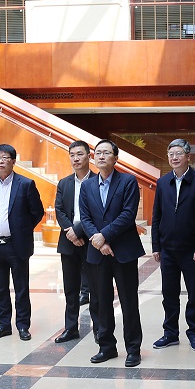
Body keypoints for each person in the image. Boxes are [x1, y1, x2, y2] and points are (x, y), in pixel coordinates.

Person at [79, 140, 145, 367]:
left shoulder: (128, 181)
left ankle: (133, 349)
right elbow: (85, 217)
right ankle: (106, 347)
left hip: (123, 251)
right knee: (101, 302)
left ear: (116, 158)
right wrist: (99, 241)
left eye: (106, 153)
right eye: (98, 153)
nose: (101, 156)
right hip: (98, 253)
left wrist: (104, 236)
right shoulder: (87, 185)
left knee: (128, 301)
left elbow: (128, 215)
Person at [151, 138, 195, 351]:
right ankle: (170, 333)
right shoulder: (163, 182)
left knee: (194, 295)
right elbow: (156, 216)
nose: (174, 158)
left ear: (188, 156)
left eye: (178, 153)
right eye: (171, 154)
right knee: (169, 294)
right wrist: (156, 246)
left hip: (191, 251)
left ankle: (194, 333)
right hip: (168, 250)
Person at [0, 144, 45, 341]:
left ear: (13, 161)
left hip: (16, 245)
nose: (1, 161)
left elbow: (37, 212)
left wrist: (22, 229)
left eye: (5, 157)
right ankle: (3, 325)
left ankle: (23, 325)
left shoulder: (25, 184)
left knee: (21, 288)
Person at [53, 140, 99, 343]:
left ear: (89, 156)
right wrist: (71, 232)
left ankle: (99, 329)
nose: (76, 159)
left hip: (92, 241)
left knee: (96, 288)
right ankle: (71, 327)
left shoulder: (98, 181)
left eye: (80, 154)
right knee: (70, 289)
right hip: (68, 242)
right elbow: (59, 210)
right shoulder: (64, 183)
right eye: (72, 155)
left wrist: (78, 231)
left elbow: (98, 212)